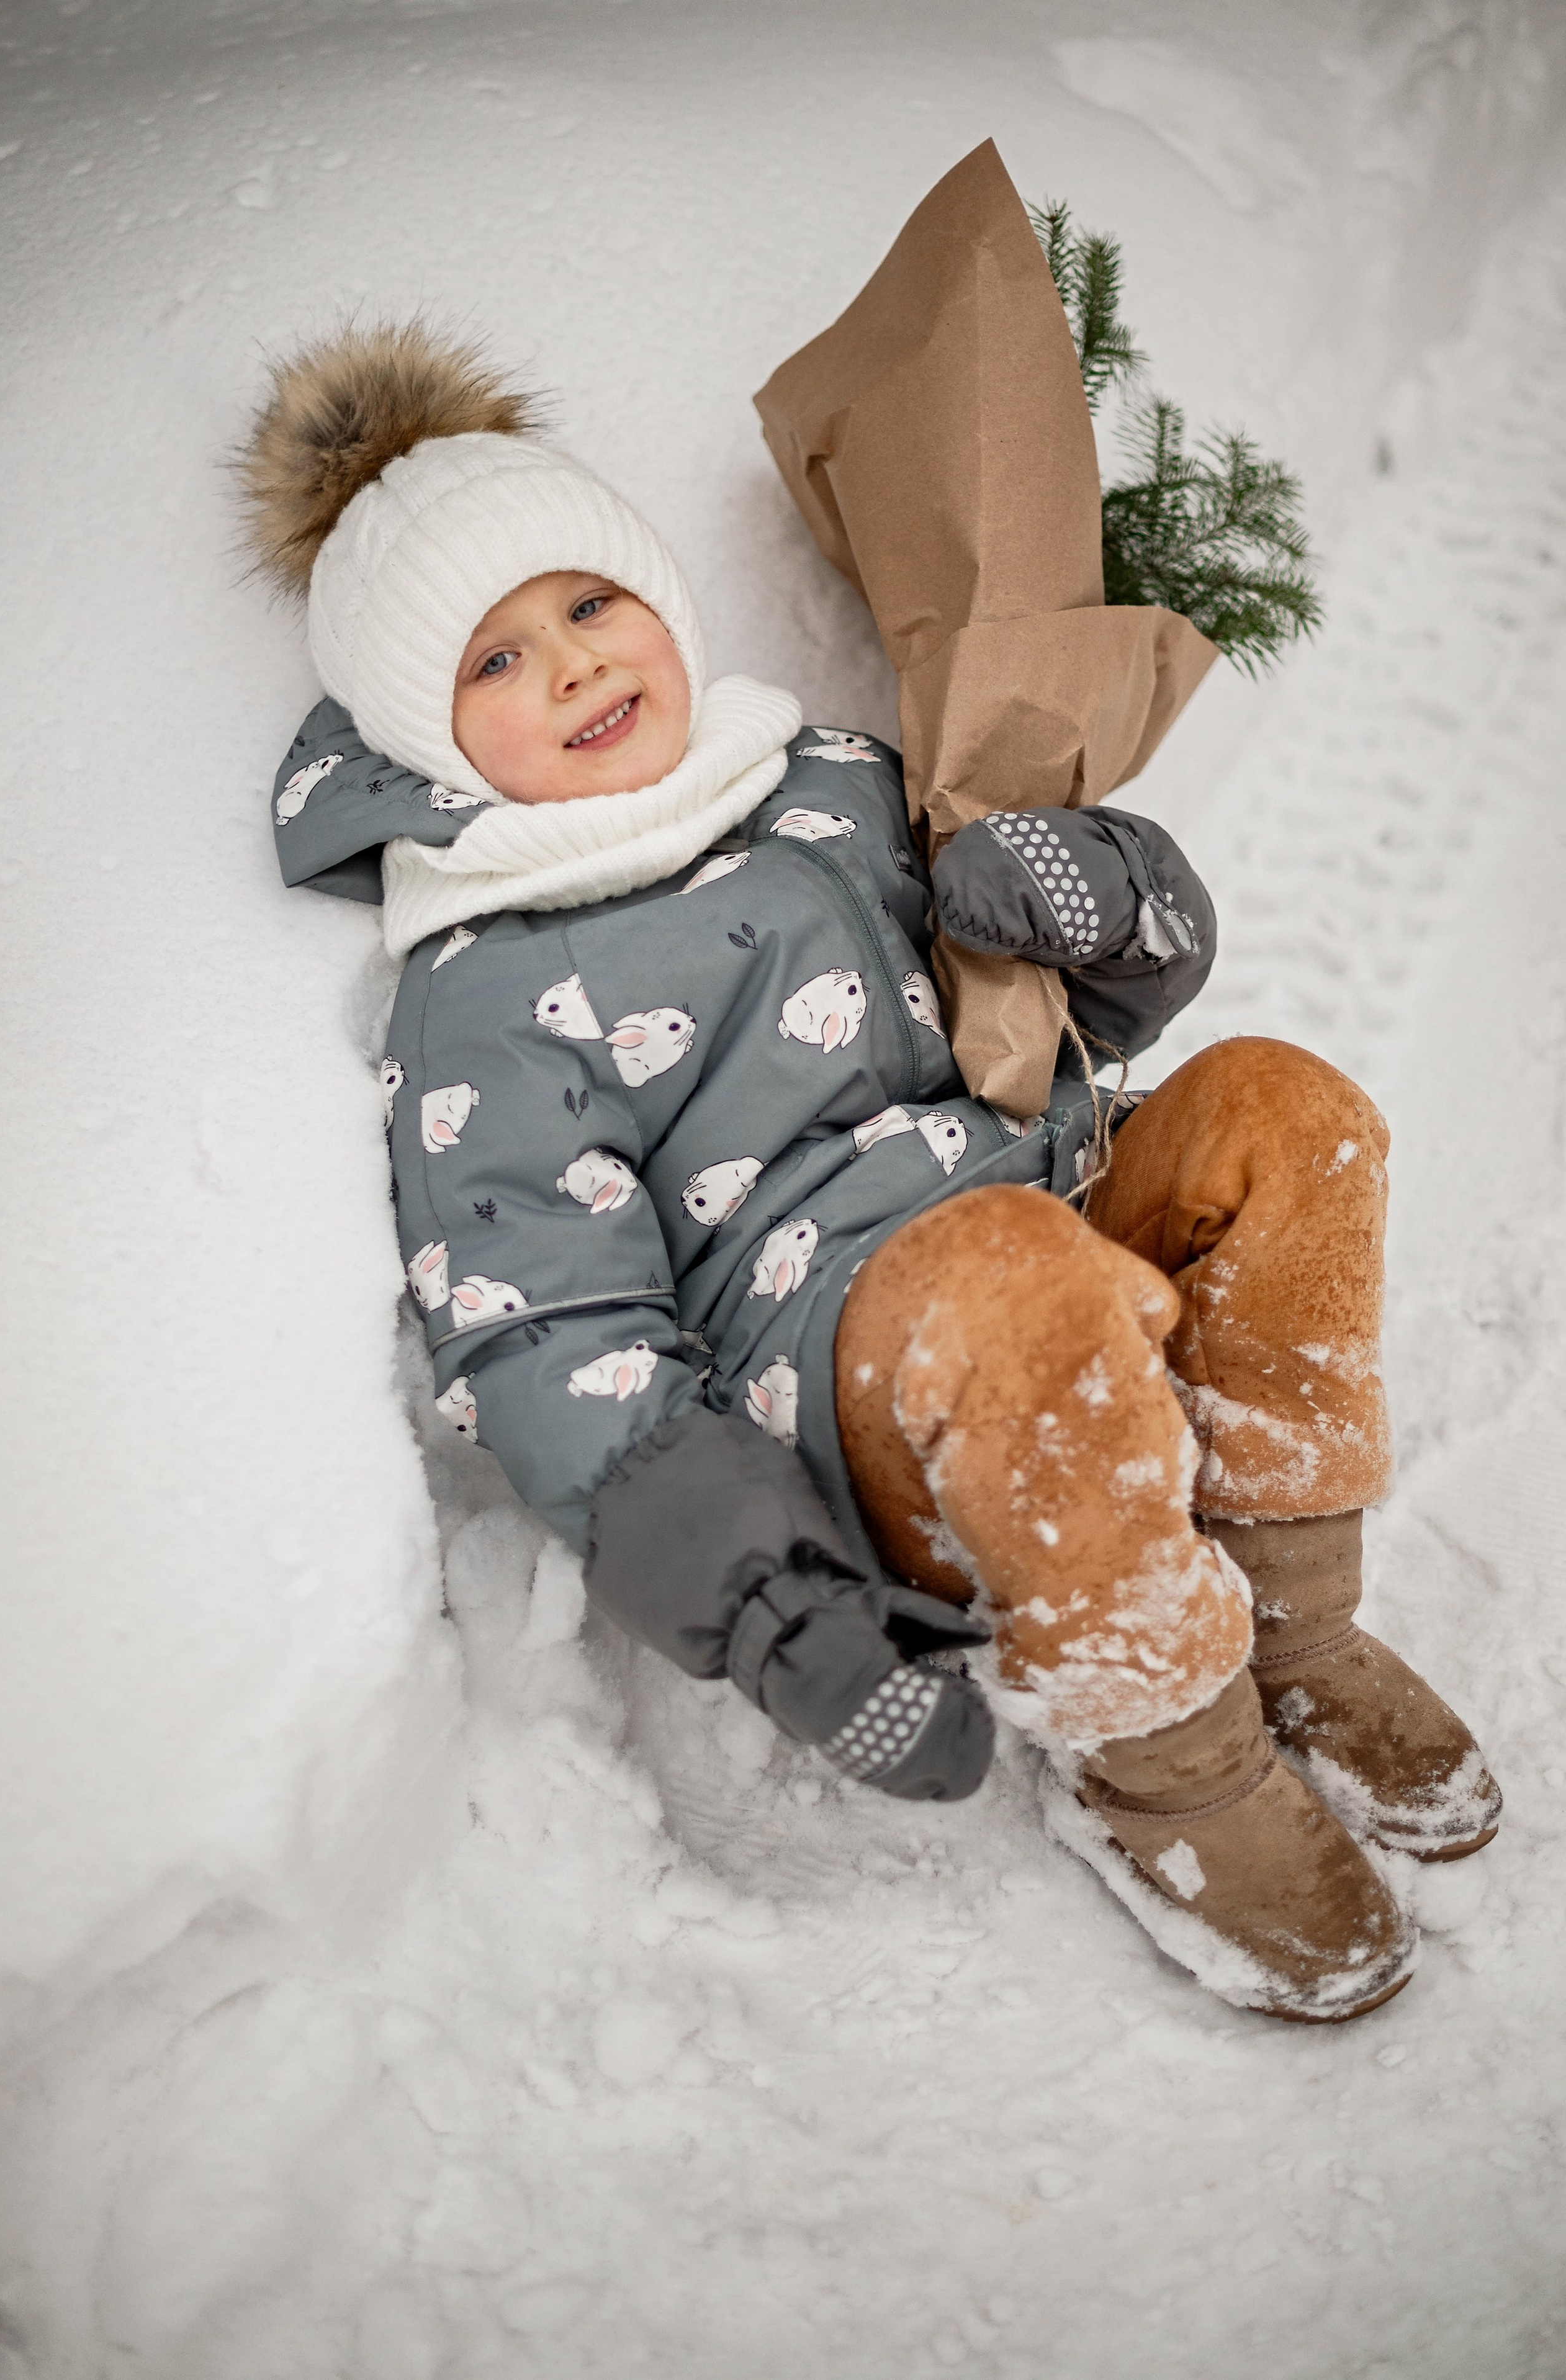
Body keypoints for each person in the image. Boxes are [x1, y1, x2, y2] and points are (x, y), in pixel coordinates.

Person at [242, 322, 1500, 2025]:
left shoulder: (821, 781)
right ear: (428, 737)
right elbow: (549, 1335)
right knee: (1011, 1280)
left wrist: (1095, 897)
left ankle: (1286, 1617)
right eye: (493, 663)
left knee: (1287, 1108)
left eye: (589, 605)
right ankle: (1168, 1768)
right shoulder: (483, 990)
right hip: (872, 1397)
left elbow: (1077, 1002)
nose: (571, 666)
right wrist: (767, 1597)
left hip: (1048, 1229)